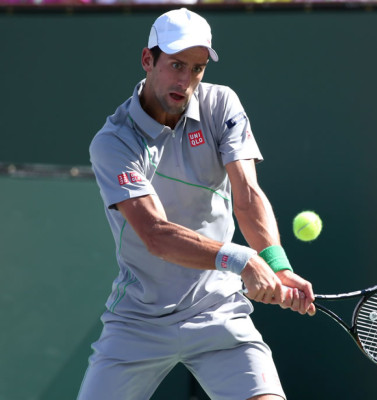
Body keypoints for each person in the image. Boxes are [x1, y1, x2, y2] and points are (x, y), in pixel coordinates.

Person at [78, 8, 316, 400]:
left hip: (218, 309)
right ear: (147, 60)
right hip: (139, 318)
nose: (185, 80)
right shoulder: (114, 141)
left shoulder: (221, 105)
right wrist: (241, 259)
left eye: (197, 68)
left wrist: (276, 265)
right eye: (176, 65)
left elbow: (247, 195)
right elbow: (155, 235)